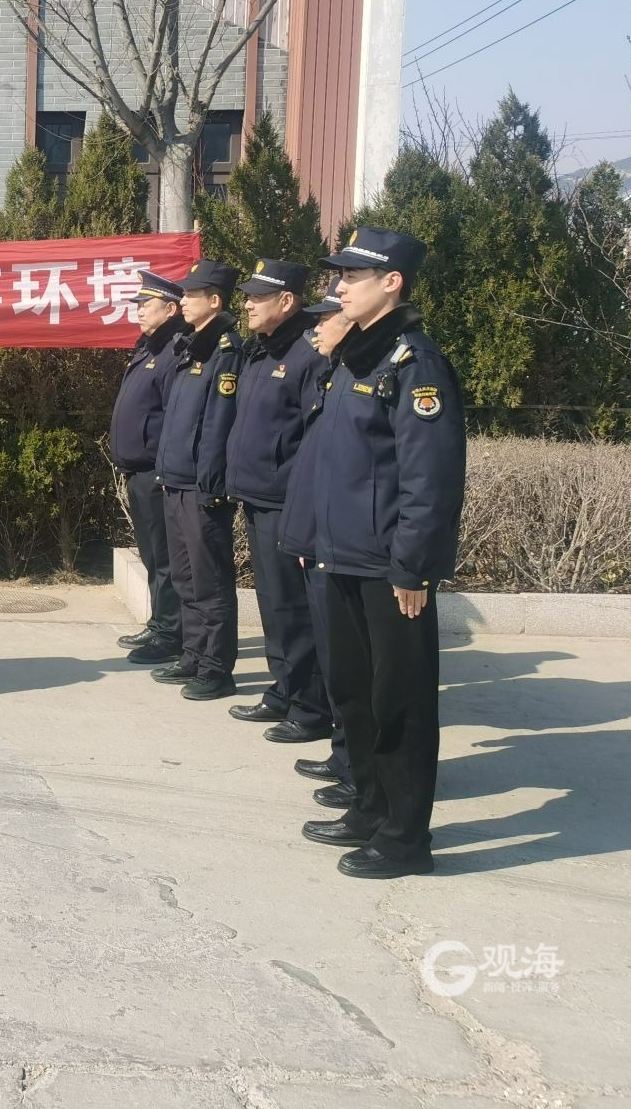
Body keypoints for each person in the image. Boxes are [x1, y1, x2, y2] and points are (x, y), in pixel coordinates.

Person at [299, 228, 466, 879]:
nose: (339, 287)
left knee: (400, 703)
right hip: (341, 556)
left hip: (388, 568)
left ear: (391, 283)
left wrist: (414, 565)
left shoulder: (413, 364)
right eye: (339, 275)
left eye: (352, 276)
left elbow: (431, 476)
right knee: (354, 695)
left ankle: (404, 839)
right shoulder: (356, 360)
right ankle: (368, 810)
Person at [224, 260, 332, 744]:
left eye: (257, 297)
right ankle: (284, 687)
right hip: (257, 497)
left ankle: (311, 706)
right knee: (272, 602)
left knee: (295, 607)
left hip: (287, 502)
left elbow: (315, 438)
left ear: (286, 301)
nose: (247, 304)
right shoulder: (261, 351)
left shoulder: (309, 354)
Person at [279, 283, 358, 802]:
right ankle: (344, 753)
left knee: (353, 664)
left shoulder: (371, 375)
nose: (315, 330)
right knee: (335, 657)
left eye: (325, 319)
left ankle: (358, 768)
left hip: (350, 545)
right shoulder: (335, 375)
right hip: (320, 536)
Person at [152, 260, 243, 700]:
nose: (183, 300)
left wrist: (210, 485)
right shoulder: (193, 346)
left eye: (191, 294)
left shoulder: (225, 350)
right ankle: (193, 654)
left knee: (210, 581)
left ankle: (216, 667)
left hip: (200, 487)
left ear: (215, 300)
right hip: (176, 480)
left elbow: (218, 425)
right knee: (185, 578)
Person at [110, 270, 190, 665]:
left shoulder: (173, 351)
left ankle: (170, 634)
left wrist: (162, 467)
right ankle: (160, 622)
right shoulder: (149, 347)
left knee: (165, 557)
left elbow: (175, 418)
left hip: (156, 472)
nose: (139, 311)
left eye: (147, 305)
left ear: (171, 309)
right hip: (139, 473)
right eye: (138, 305)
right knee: (152, 556)